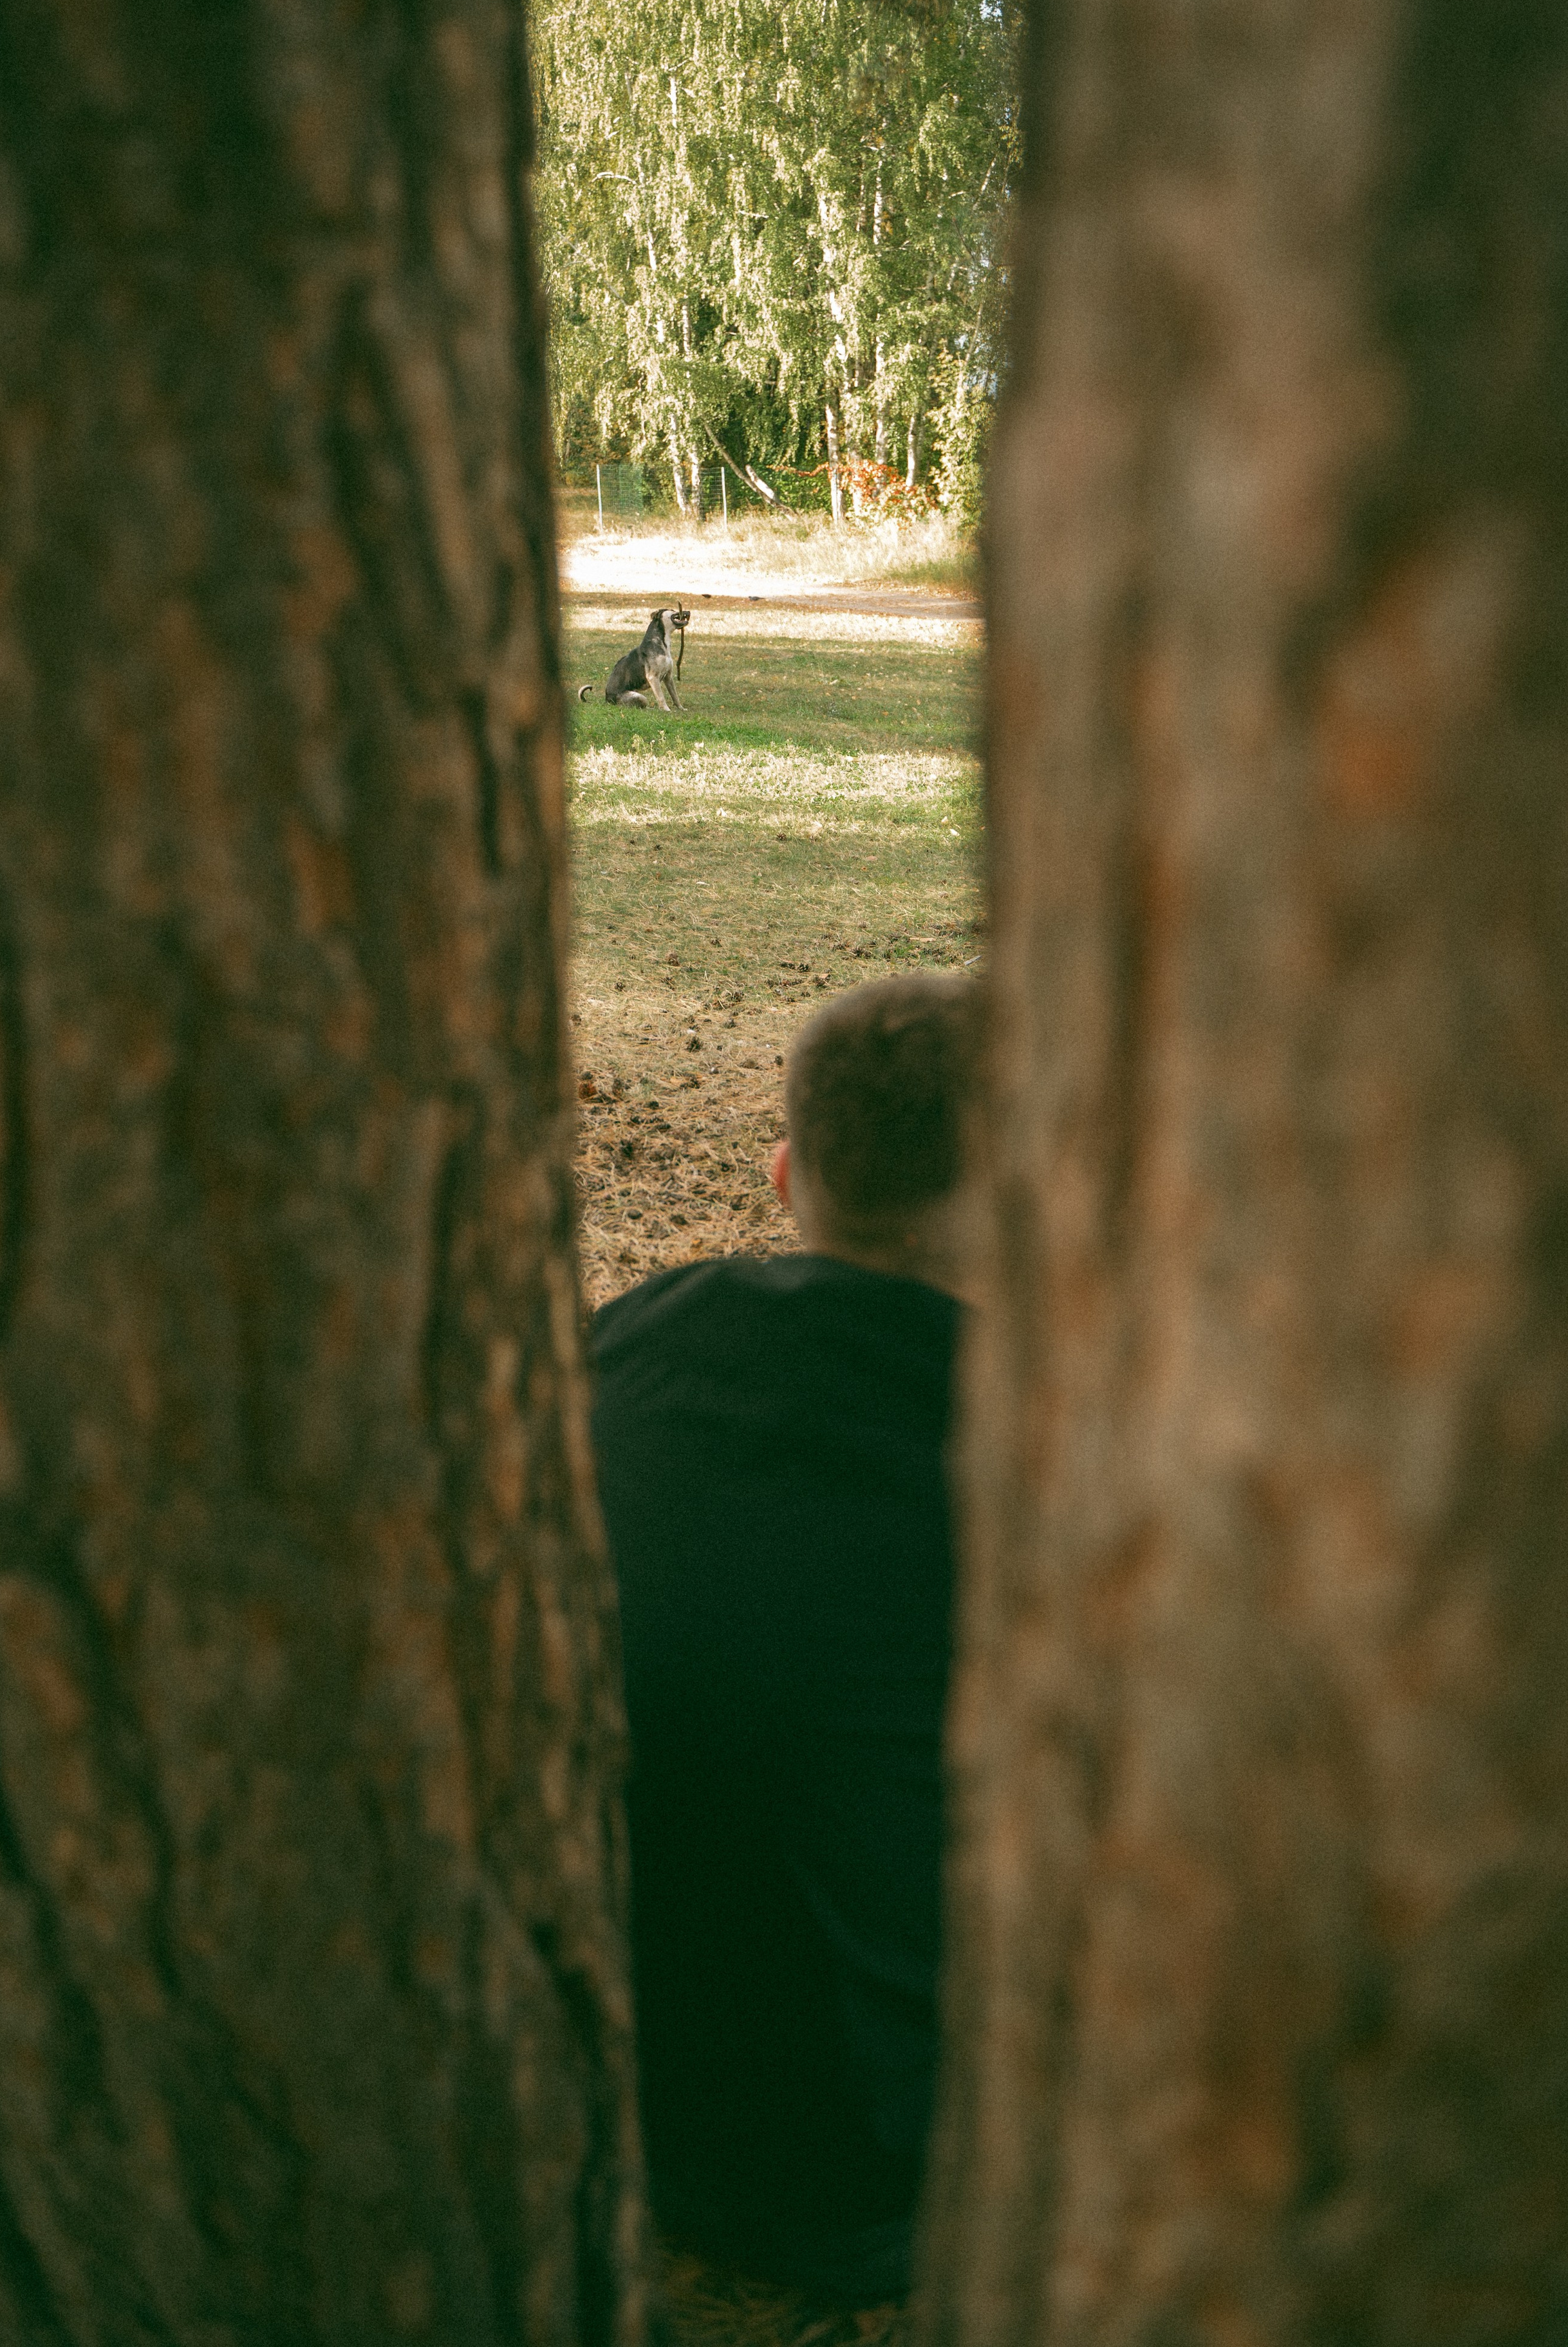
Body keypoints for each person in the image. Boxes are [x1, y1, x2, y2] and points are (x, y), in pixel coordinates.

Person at [589, 975, 983, 2307]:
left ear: (778, 1173)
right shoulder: (1051, 1481)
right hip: (875, 2181)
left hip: (600, 2099)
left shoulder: (626, 1348)